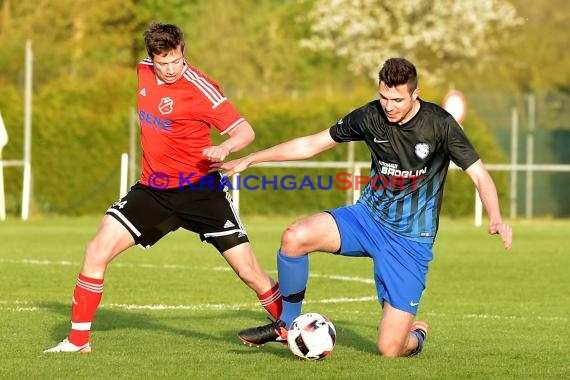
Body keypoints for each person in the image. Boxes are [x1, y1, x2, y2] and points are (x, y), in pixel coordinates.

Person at [221, 58, 513, 357]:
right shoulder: (369, 116)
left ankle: (417, 334)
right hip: (367, 219)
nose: (389, 105)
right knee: (295, 236)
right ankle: (286, 324)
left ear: (416, 94)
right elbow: (311, 144)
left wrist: (496, 217)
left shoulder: (440, 124)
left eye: (397, 99)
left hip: (409, 242)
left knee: (390, 348)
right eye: (384, 97)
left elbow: (479, 174)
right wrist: (251, 159)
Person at [44, 22, 282, 353]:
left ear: (183, 52)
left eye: (176, 61)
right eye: (163, 63)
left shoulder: (201, 87)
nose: (170, 70)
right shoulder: (142, 72)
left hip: (201, 191)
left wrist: (225, 148)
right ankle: (77, 341)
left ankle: (290, 326)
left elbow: (245, 130)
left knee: (250, 272)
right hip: (153, 190)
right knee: (96, 251)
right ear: (151, 59)